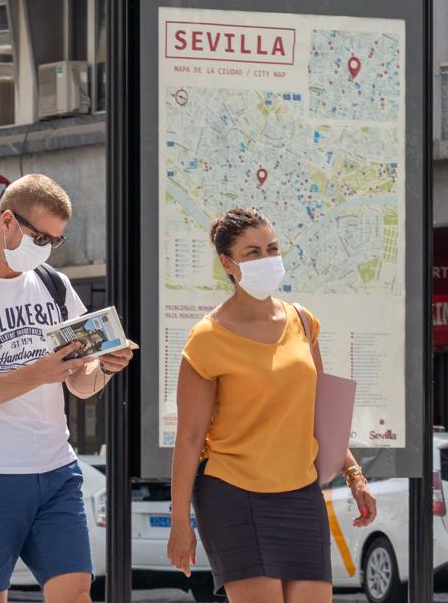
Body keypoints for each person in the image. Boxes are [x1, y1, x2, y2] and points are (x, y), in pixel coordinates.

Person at [0, 174, 133, 603]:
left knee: (76, 592)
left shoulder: (54, 285)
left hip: (57, 471)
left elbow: (78, 382)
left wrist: (105, 368)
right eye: (40, 237)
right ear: (6, 222)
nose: (46, 249)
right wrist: (38, 372)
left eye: (55, 241)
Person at [166, 207, 377, 603]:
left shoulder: (302, 321)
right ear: (227, 263)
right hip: (231, 493)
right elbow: (191, 436)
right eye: (253, 253)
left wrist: (354, 474)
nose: (267, 259)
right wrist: (180, 520)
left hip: (300, 493)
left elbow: (320, 411)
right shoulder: (205, 339)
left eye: (272, 248)